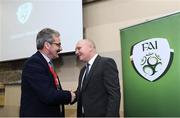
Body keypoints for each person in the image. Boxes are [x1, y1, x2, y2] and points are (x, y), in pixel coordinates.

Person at [20, 28, 75, 117]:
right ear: (47, 45)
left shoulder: (46, 63)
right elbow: (48, 95)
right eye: (58, 44)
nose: (61, 48)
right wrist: (69, 96)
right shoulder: (34, 63)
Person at [73, 39, 121, 117]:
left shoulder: (106, 63)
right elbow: (81, 91)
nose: (76, 52)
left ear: (90, 47)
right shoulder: (83, 70)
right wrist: (68, 96)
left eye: (79, 48)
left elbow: (114, 95)